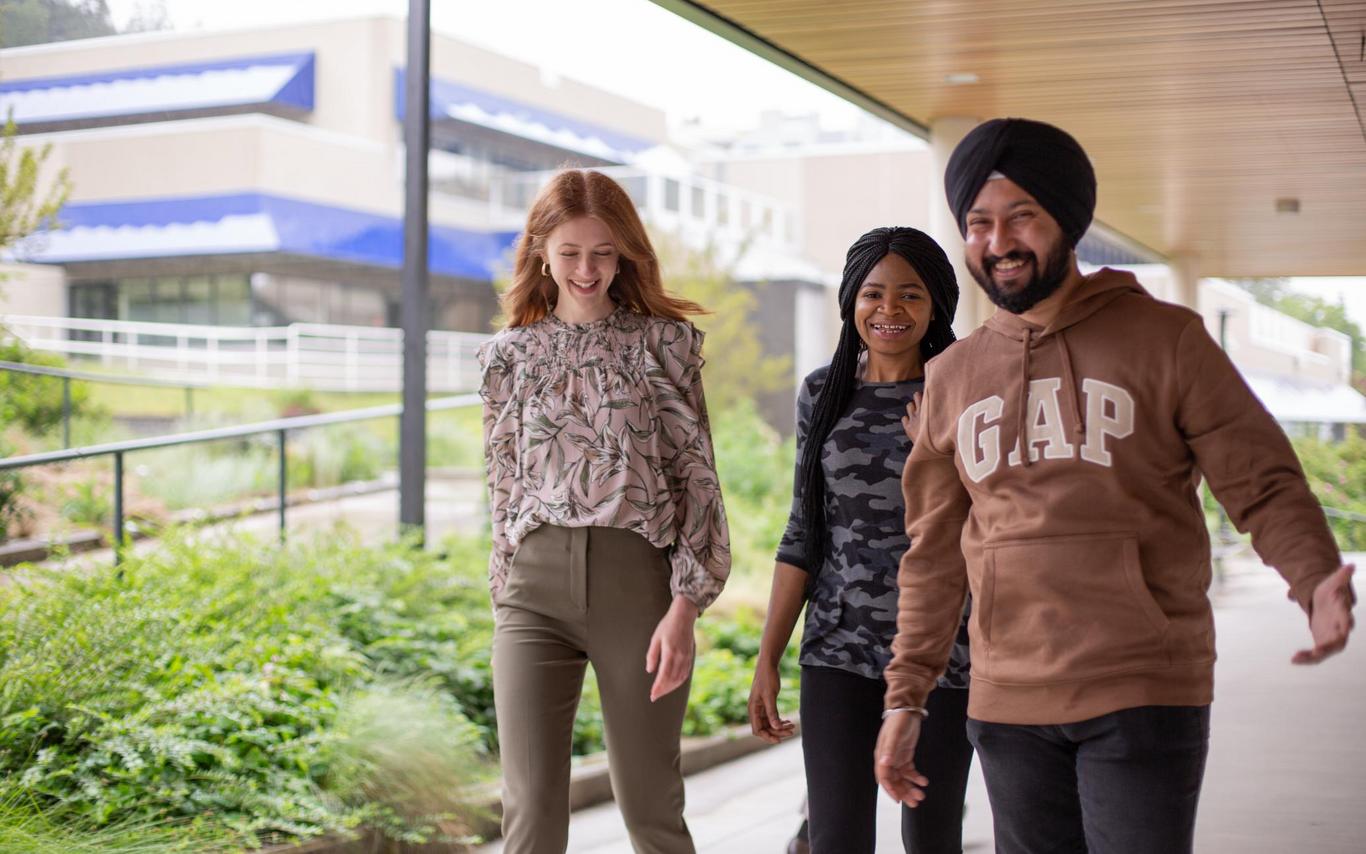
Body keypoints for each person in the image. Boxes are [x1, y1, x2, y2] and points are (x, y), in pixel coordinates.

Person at [873, 117, 1356, 854]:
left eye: (1021, 216)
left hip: (1141, 683)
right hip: (1007, 699)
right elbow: (933, 552)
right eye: (978, 222)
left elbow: (1258, 478)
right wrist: (907, 694)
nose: (997, 241)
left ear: (1068, 219)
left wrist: (1313, 575)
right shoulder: (952, 376)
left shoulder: (1167, 340)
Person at [478, 169, 731, 854]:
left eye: (603, 252)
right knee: (529, 811)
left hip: (637, 588)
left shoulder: (663, 345)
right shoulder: (508, 356)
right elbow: (502, 480)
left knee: (650, 806)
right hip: (533, 591)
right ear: (540, 252)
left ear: (625, 255)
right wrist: (503, 585)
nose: (587, 269)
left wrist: (685, 604)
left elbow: (696, 478)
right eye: (570, 252)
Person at [748, 227, 974, 854]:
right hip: (837, 650)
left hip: (943, 656)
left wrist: (942, 445)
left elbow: (991, 521)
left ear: (937, 306)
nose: (890, 310)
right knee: (836, 838)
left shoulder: (962, 393)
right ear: (851, 300)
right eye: (873, 294)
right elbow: (804, 530)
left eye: (910, 295)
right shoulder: (823, 393)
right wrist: (768, 655)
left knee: (933, 840)